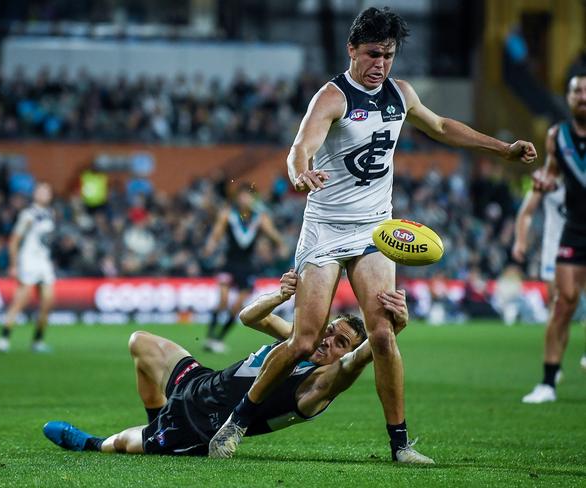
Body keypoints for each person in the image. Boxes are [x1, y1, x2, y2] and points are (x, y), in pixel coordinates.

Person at [209, 7, 537, 462]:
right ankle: (236, 422)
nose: (380, 64)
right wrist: (299, 173)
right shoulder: (331, 96)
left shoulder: (400, 94)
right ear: (352, 50)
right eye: (372, 54)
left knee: (383, 334)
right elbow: (300, 146)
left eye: (388, 55)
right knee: (304, 341)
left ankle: (400, 446)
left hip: (374, 232)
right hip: (324, 229)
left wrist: (502, 149)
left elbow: (440, 127)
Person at [42, 271, 411, 457]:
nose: (328, 341)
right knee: (139, 343)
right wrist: (280, 295)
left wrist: (391, 328)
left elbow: (360, 359)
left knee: (119, 444)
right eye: (330, 331)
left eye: (340, 343)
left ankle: (91, 444)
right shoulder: (300, 344)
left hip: (199, 427)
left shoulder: (321, 385)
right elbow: (249, 316)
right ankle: (157, 422)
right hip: (200, 382)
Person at [521, 72, 586, 403]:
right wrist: (545, 181)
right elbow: (552, 173)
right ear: (569, 97)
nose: (582, 97)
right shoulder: (557, 136)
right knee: (564, 303)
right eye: (577, 92)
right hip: (573, 227)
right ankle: (547, 382)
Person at [203, 183, 288, 353]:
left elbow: (272, 234)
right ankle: (210, 337)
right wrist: (211, 245)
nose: (245, 199)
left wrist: (281, 245)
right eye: (242, 195)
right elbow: (217, 233)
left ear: (253, 199)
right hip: (228, 263)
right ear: (237, 197)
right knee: (223, 301)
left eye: (248, 196)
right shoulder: (229, 214)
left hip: (247, 267)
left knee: (237, 307)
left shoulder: (259, 217)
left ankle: (219, 339)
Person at [513, 181, 586, 369]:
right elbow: (526, 211)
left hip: (581, 246)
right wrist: (520, 241)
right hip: (553, 252)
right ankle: (555, 363)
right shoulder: (546, 178)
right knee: (560, 311)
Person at [0, 182, 56, 353]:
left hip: (44, 263)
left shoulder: (51, 213)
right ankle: (4, 337)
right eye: (40, 191)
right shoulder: (28, 214)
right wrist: (14, 265)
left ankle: (37, 341)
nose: (43, 194)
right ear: (35, 194)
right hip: (29, 261)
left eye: (46, 191)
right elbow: (14, 240)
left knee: (48, 302)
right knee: (21, 299)